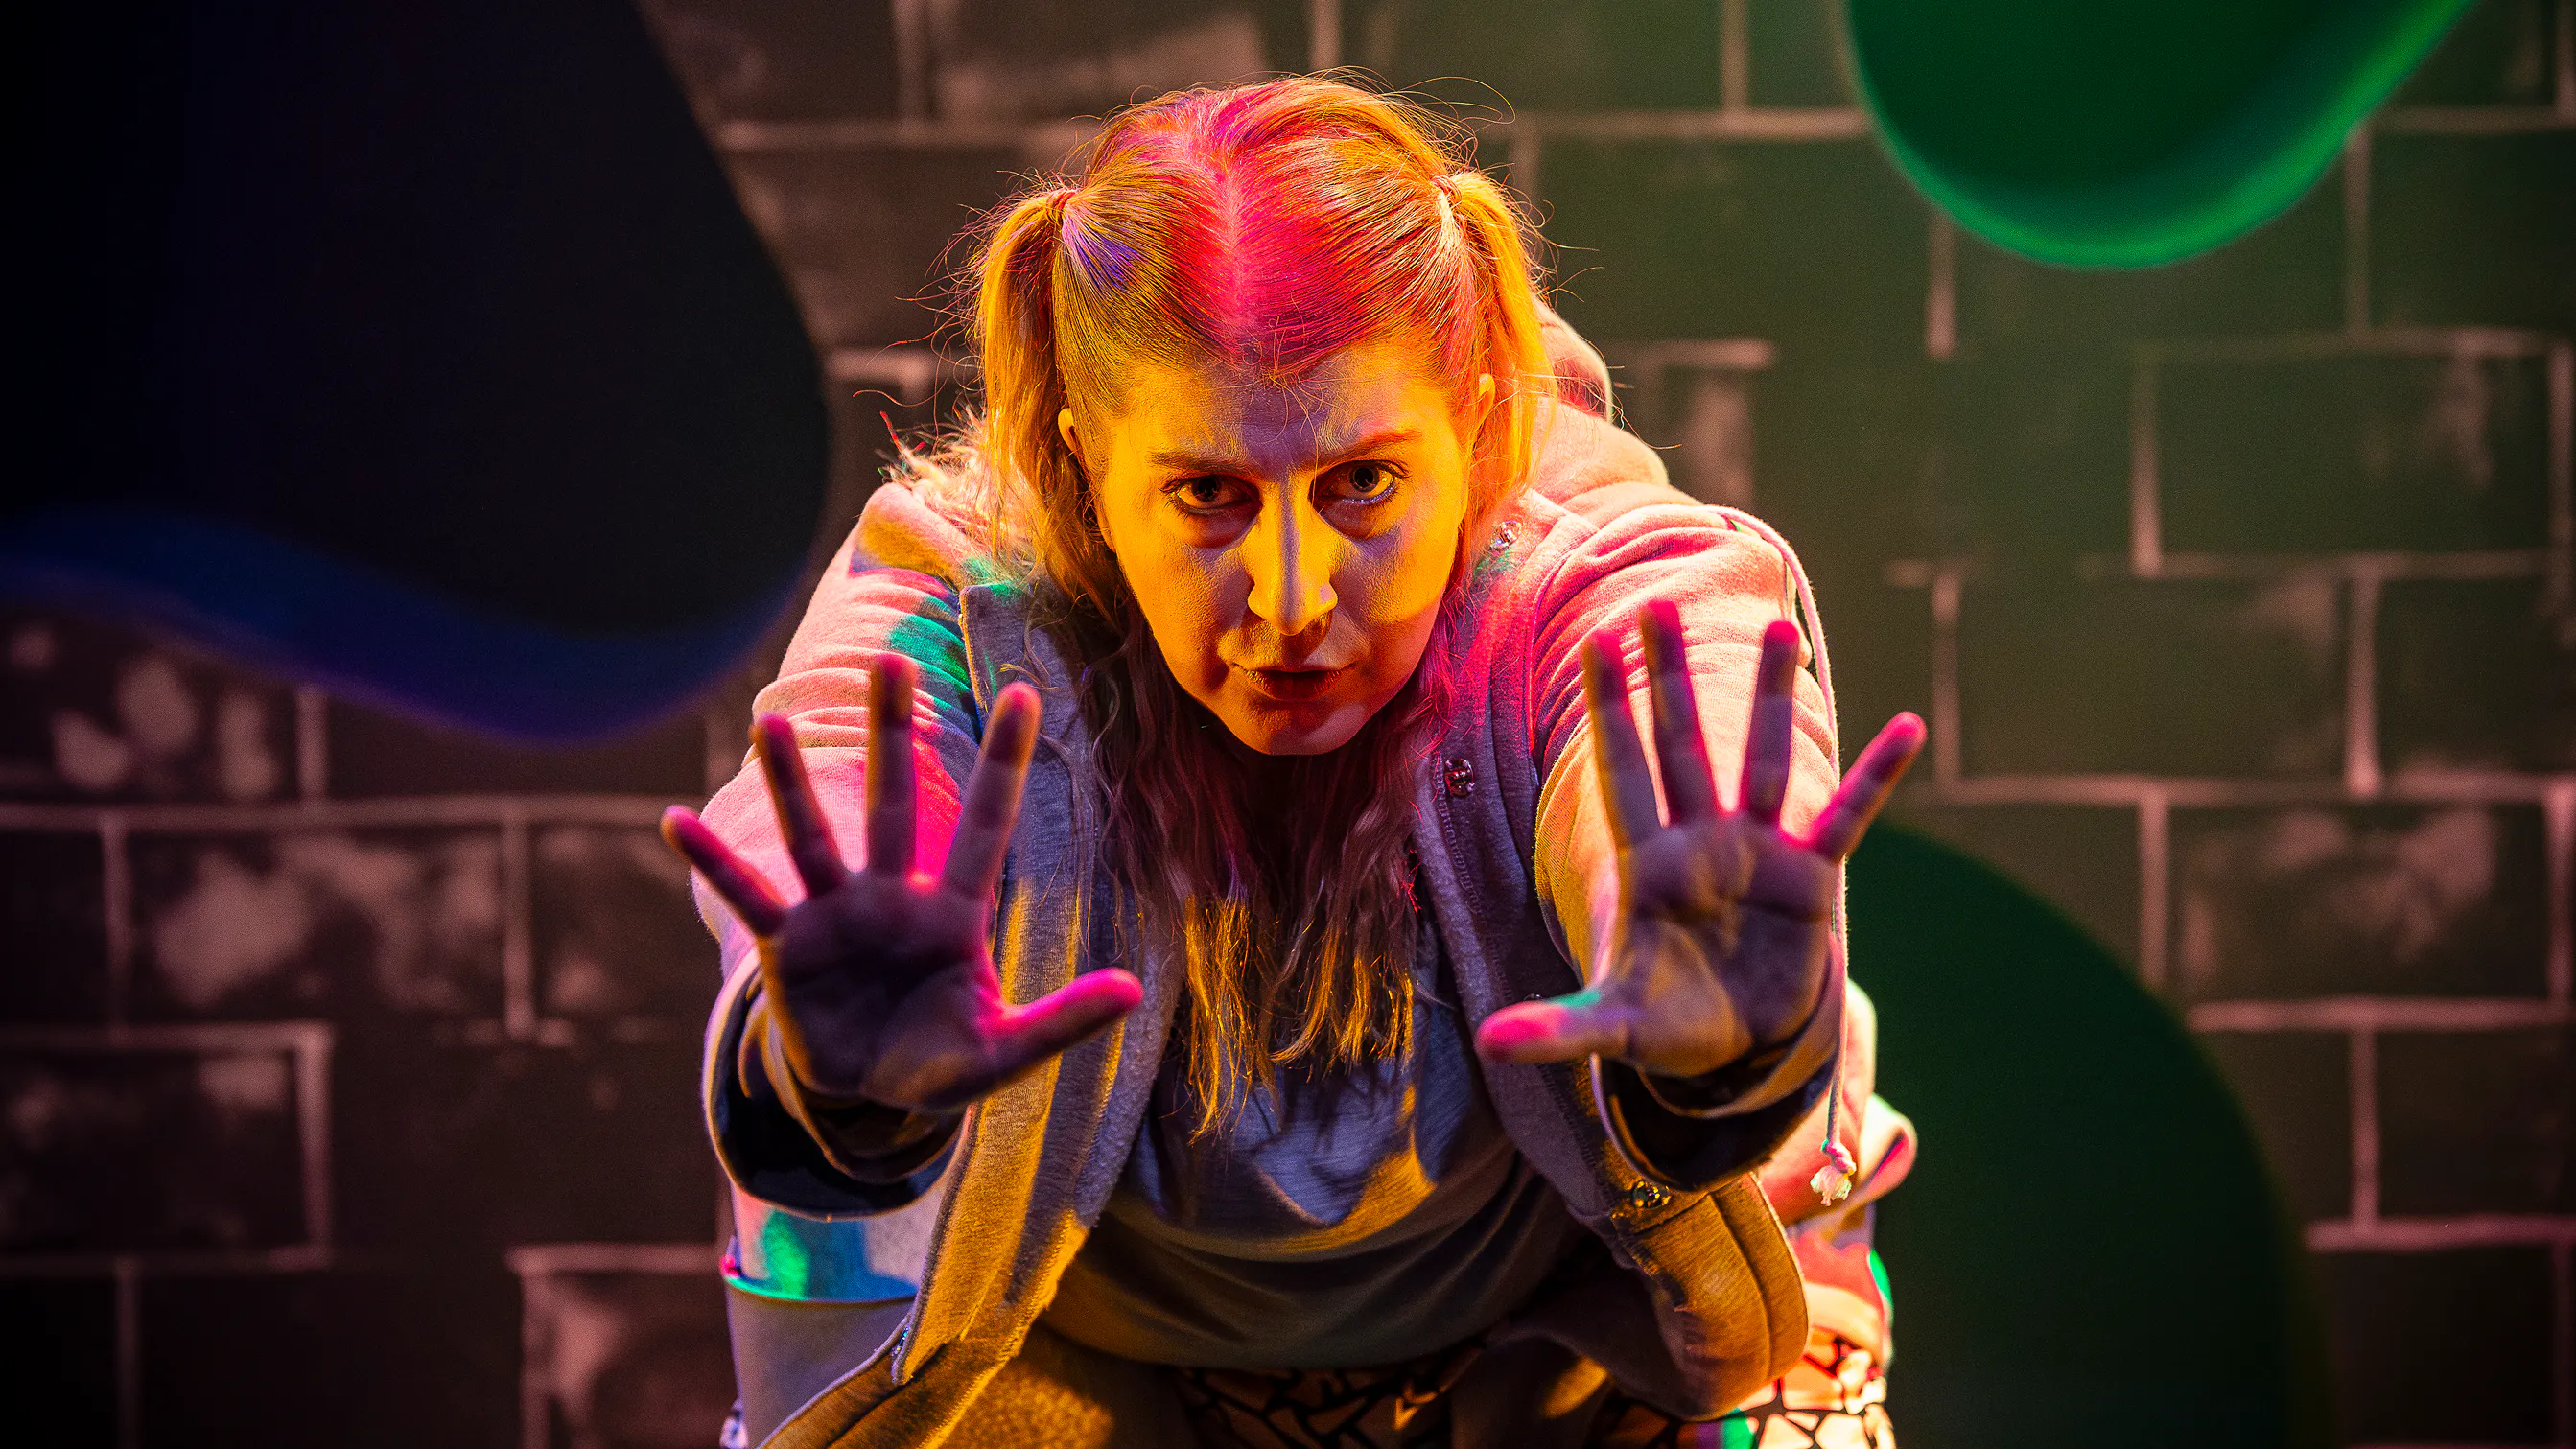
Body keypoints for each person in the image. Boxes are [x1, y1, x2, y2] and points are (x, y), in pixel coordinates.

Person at [664, 76, 1927, 1449]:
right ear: (1087, 464)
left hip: (1588, 1362)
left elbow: (1677, 665)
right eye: (1207, 494)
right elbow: (853, 751)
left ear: (1474, 433)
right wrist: (830, 1075)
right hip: (1085, 1391)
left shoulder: (1580, 565)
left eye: (1362, 484)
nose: (1290, 599)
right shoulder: (960, 601)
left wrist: (1702, 993)